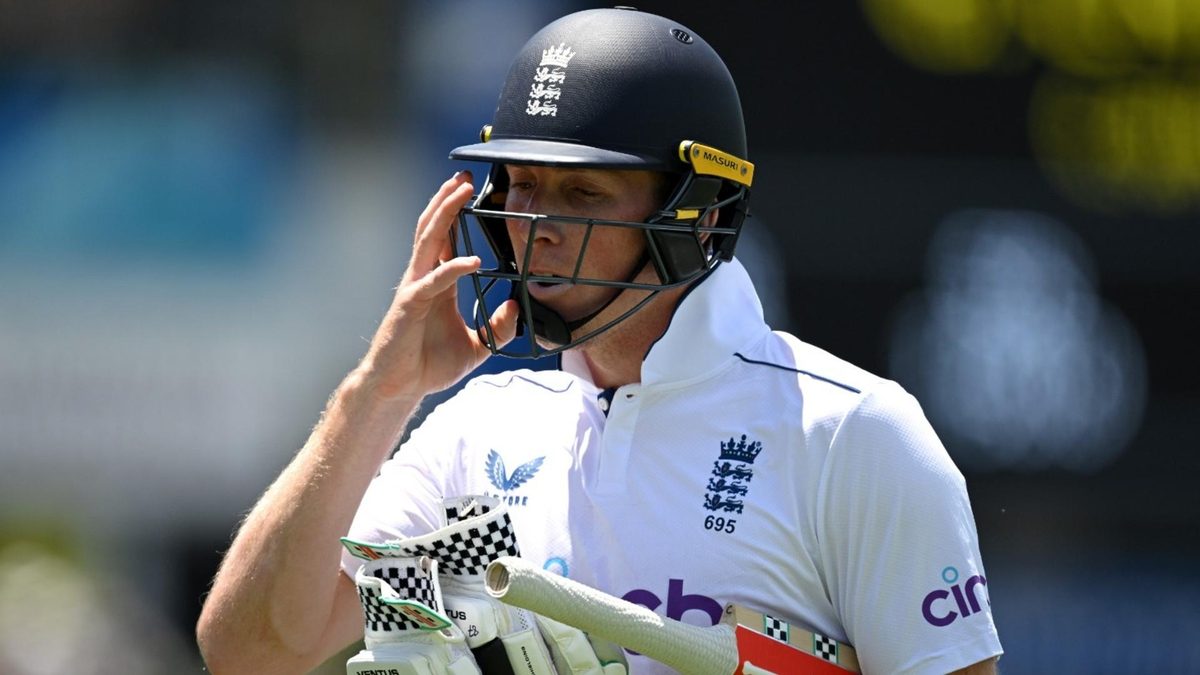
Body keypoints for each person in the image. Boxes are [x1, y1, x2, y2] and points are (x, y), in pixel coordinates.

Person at [196, 6, 1003, 674]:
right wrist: (377, 392)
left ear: (703, 213)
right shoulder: (482, 435)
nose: (536, 226)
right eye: (521, 187)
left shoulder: (848, 434)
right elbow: (253, 648)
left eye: (581, 191)